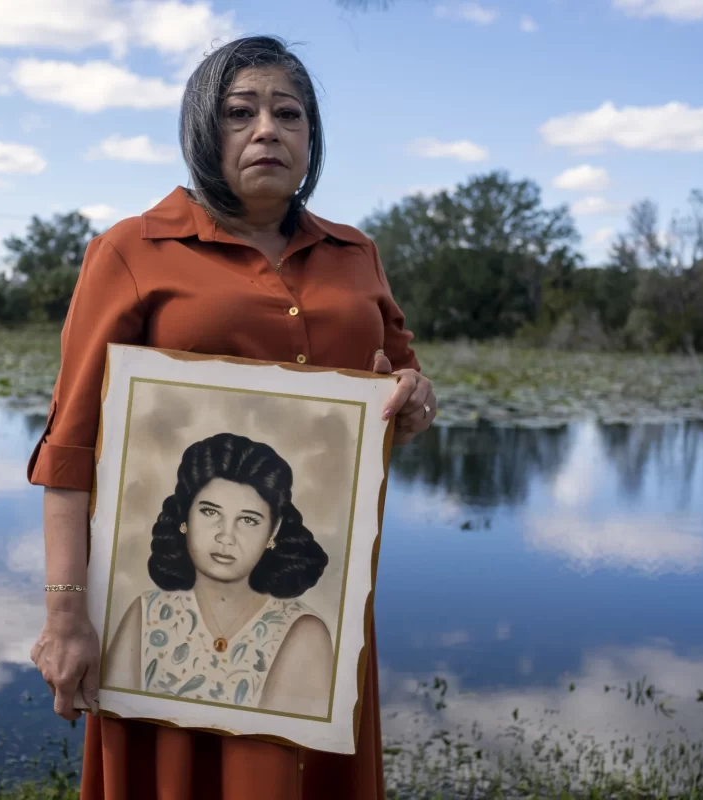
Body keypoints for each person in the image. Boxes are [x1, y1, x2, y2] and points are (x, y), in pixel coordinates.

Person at [27, 34, 437, 800]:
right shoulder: (130, 251)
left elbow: (402, 382)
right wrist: (65, 614)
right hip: (159, 613)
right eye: (239, 113)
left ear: (311, 138)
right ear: (200, 131)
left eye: (289, 114)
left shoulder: (356, 256)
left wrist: (410, 401)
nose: (267, 130)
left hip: (319, 603)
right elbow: (70, 447)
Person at [103, 432, 334, 717]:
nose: (226, 536)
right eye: (210, 513)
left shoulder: (303, 632)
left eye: (248, 520)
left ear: (273, 533)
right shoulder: (145, 614)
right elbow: (117, 722)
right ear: (185, 518)